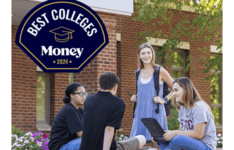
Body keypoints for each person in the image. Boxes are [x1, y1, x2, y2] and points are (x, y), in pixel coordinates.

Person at [80, 72, 146, 150]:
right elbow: (109, 128)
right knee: (142, 139)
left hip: (84, 147)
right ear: (115, 86)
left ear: (100, 85)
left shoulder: (88, 100)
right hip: (108, 147)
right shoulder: (118, 102)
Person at [152, 77, 217, 150]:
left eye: (176, 90)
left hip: (205, 147)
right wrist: (168, 134)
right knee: (161, 140)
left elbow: (199, 134)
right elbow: (181, 132)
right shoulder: (182, 109)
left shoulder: (198, 107)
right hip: (189, 145)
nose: (173, 93)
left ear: (186, 90)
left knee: (178, 139)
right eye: (173, 91)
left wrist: (175, 133)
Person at [130, 43, 174, 145]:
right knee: (137, 142)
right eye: (143, 53)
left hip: (155, 112)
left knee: (156, 143)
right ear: (139, 56)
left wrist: (164, 100)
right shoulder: (138, 72)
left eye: (148, 52)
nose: (146, 56)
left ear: (152, 54)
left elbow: (177, 88)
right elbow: (142, 90)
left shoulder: (159, 70)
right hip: (140, 113)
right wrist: (135, 97)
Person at [48, 83, 88, 150]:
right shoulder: (69, 110)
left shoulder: (80, 111)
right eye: (81, 94)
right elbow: (81, 134)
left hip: (71, 143)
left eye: (85, 94)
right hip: (60, 146)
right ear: (72, 95)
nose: (84, 96)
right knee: (90, 141)